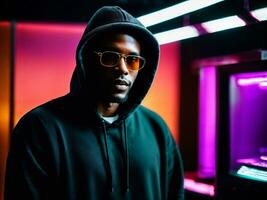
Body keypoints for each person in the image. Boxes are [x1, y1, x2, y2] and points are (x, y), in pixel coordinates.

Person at [4, 6, 184, 200]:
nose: (123, 69)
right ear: (86, 60)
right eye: (110, 57)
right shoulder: (39, 128)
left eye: (132, 60)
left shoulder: (156, 128)